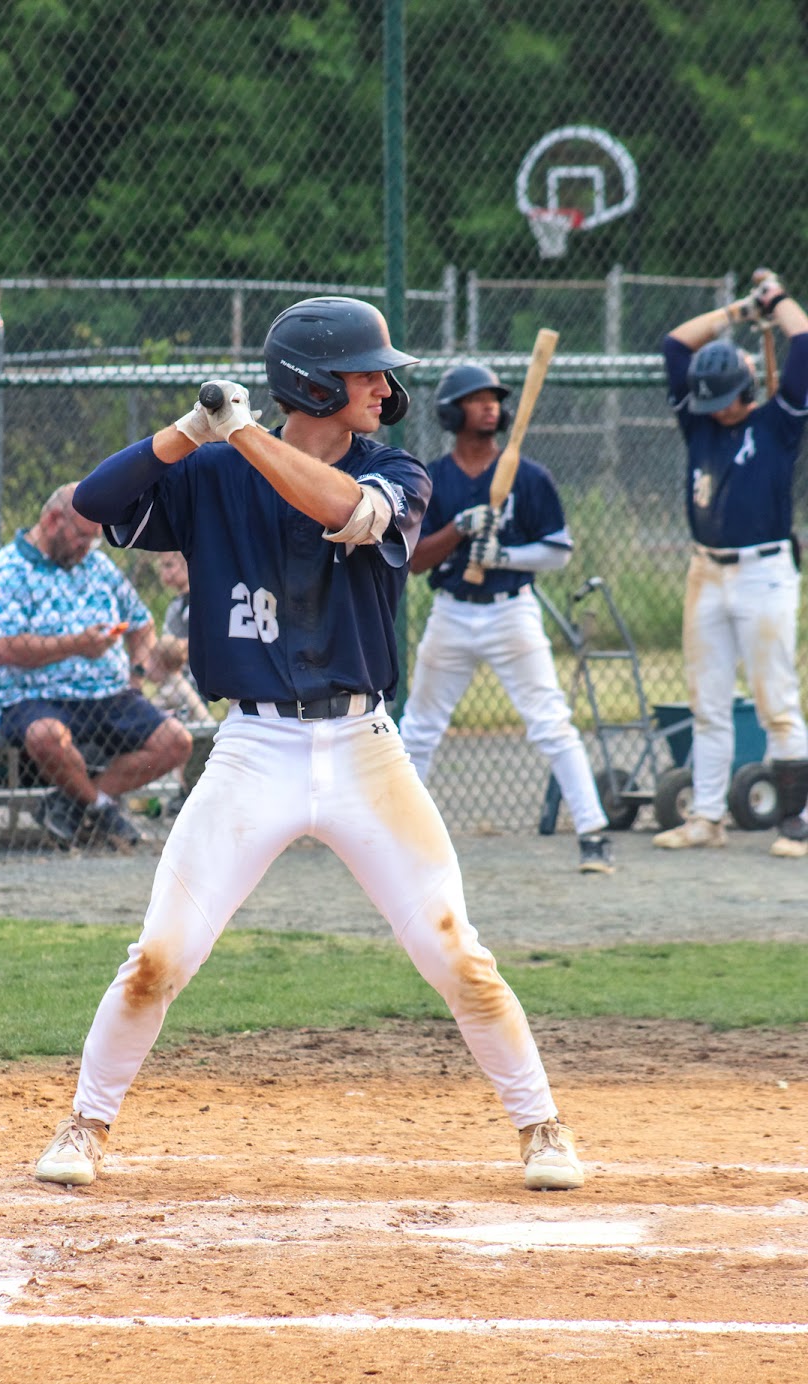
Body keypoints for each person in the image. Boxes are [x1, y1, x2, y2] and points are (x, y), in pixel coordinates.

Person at [32, 295, 584, 1194]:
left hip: (365, 746)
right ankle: (85, 1123)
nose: (382, 383)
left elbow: (352, 514)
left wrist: (243, 434)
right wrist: (186, 433)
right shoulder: (212, 471)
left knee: (455, 953)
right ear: (313, 383)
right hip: (253, 748)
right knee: (160, 956)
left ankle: (543, 1126)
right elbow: (92, 501)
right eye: (364, 370)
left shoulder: (398, 469)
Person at [398, 364, 614, 875]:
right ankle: (400, 840)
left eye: (494, 397)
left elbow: (558, 552)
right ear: (453, 411)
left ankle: (593, 833)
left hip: (512, 612)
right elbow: (412, 561)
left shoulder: (530, 475)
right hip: (450, 614)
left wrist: (504, 556)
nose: (490, 405)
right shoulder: (431, 478)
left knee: (551, 724)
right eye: (476, 398)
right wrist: (457, 529)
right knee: (419, 731)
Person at [653, 268, 808, 857]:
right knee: (708, 701)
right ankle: (708, 817)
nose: (715, 410)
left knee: (775, 698)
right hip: (705, 571)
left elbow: (806, 341)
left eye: (724, 401)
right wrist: (742, 310)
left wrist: (780, 301)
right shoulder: (698, 419)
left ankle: (797, 820)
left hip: (764, 571)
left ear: (747, 387)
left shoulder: (779, 421)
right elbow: (675, 344)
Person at [0, 482, 193, 851]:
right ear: (53, 520)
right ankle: (101, 808)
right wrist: (77, 645)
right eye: (82, 536)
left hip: (108, 693)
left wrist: (137, 675)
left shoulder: (97, 566)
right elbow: (4, 649)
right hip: (32, 697)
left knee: (176, 742)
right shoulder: (8, 571)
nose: (87, 547)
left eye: (94, 539)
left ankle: (73, 803)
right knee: (46, 736)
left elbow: (141, 624)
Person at [143, 550, 215, 725]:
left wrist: (170, 647)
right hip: (171, 681)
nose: (163, 572)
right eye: (161, 566)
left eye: (169, 565)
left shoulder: (202, 600)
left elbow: (204, 642)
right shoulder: (175, 605)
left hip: (193, 681)